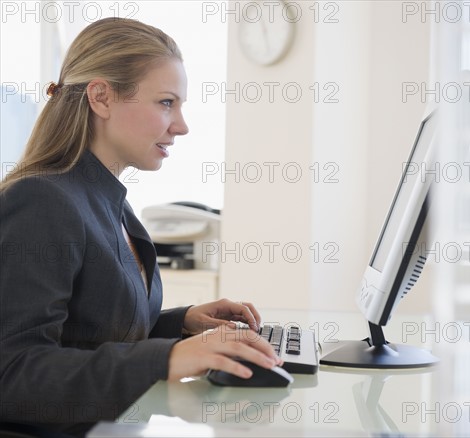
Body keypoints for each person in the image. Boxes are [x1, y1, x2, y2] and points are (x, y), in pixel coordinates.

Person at [0, 17, 279, 437]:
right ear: (102, 97)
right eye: (166, 102)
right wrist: (166, 358)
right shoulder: (42, 200)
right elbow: (14, 372)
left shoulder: (109, 199)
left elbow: (84, 332)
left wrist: (180, 324)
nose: (181, 125)